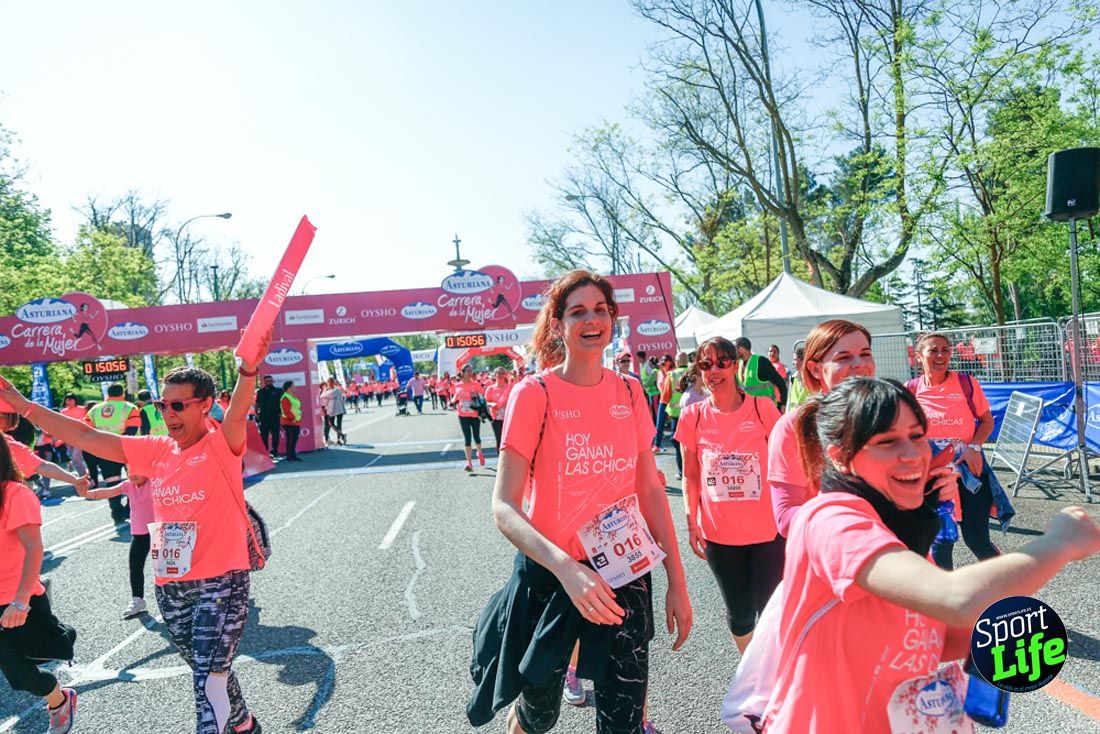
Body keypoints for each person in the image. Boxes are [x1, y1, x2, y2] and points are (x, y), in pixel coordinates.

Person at [762, 377, 1100, 732]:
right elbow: (953, 597)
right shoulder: (831, 520)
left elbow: (925, 639)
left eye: (917, 435)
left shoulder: (895, 527)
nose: (912, 454)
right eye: (887, 441)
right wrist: (1058, 543)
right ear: (841, 458)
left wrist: (995, 636)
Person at [1, 340, 273, 734]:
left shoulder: (221, 444)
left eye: (179, 405)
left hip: (222, 581)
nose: (168, 413)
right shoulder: (155, 450)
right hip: (171, 585)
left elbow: (237, 411)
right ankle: (242, 720)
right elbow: (84, 436)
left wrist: (248, 371)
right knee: (206, 667)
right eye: (164, 405)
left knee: (207, 676)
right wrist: (24, 405)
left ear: (205, 405)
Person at [468, 270, 691, 734]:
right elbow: (504, 506)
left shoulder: (630, 390)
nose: (592, 320)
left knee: (623, 721)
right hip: (552, 577)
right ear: (557, 325)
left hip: (623, 573)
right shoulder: (535, 394)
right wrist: (567, 571)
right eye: (578, 312)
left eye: (601, 310)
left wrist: (677, 579)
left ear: (613, 318)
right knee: (538, 716)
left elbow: (649, 488)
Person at [675, 337, 783, 653]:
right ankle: (749, 664)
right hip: (719, 536)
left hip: (767, 532)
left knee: (771, 611)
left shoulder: (762, 408)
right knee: (740, 615)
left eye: (722, 362)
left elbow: (784, 459)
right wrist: (690, 519)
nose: (714, 371)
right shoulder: (692, 416)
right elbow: (691, 474)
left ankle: (771, 676)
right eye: (706, 364)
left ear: (735, 365)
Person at [0, 436, 79, 734]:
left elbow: (34, 548)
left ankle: (59, 700)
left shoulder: (15, 495)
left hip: (17, 601)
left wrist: (20, 601)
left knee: (28, 670)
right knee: (18, 676)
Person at [908, 332, 1006, 570]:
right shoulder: (910, 390)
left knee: (977, 540)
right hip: (935, 478)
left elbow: (986, 421)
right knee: (941, 543)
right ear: (919, 357)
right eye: (933, 350)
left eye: (945, 350)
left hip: (969, 471)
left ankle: (1009, 589)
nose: (940, 355)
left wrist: (974, 447)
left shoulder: (967, 384)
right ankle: (946, 601)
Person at [76, 475, 154, 619]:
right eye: (130, 471)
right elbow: (106, 492)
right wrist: (85, 493)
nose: (133, 475)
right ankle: (138, 599)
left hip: (158, 531)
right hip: (139, 533)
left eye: (137, 470)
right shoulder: (128, 484)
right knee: (135, 566)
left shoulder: (155, 482)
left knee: (166, 568)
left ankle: (175, 598)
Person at [84, 383, 140, 522]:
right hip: (127, 449)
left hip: (105, 450)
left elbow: (87, 431)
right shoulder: (129, 407)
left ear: (107, 394)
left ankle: (116, 512)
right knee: (133, 481)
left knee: (111, 481)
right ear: (123, 393)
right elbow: (132, 430)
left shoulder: (94, 410)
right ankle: (129, 510)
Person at [734, 337, 787, 408]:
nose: (734, 353)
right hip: (750, 409)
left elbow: (780, 382)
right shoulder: (739, 364)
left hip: (766, 409)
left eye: (735, 349)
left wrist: (783, 404)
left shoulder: (761, 362)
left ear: (740, 349)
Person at [452, 365, 486, 472]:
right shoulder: (457, 385)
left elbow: (483, 395)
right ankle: (469, 462)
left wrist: (476, 395)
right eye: (468, 371)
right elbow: (456, 396)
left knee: (476, 436)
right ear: (462, 372)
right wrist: (452, 402)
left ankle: (479, 452)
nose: (470, 373)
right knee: (467, 438)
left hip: (474, 414)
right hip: (462, 414)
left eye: (471, 371)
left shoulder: (475, 384)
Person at [652, 355, 676, 452]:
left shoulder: (673, 371)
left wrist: (662, 370)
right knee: (659, 423)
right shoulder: (659, 372)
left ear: (670, 361)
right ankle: (657, 445)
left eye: (665, 360)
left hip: (673, 401)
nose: (663, 361)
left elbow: (669, 382)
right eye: (661, 359)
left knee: (676, 424)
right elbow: (661, 386)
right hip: (663, 400)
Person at [58, 394, 87, 476]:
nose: (69, 402)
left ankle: (83, 475)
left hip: (81, 437)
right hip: (68, 438)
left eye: (71, 399)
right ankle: (84, 475)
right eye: (67, 400)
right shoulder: (63, 411)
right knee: (77, 459)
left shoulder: (82, 409)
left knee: (75, 458)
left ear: (75, 400)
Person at [485, 367, 513, 452]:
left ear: (505, 375)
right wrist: (491, 404)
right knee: (499, 438)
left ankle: (509, 459)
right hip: (495, 418)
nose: (500, 375)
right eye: (498, 373)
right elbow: (485, 402)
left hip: (508, 417)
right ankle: (501, 459)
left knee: (509, 439)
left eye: (502, 373)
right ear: (495, 375)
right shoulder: (490, 389)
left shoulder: (510, 388)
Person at [254, 375, 282, 458]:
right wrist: (256, 413)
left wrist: (281, 413)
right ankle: (265, 452)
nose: (269, 382)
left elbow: (282, 403)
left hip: (275, 416)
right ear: (264, 382)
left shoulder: (278, 391)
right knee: (263, 435)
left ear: (273, 381)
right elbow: (257, 403)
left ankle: (274, 451)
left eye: (270, 380)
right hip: (263, 417)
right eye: (267, 381)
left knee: (275, 435)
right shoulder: (260, 392)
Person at [319, 378, 348, 446]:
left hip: (335, 409)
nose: (329, 384)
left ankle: (339, 439)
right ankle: (341, 437)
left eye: (330, 382)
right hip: (335, 409)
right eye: (329, 382)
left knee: (335, 424)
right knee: (334, 424)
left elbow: (323, 398)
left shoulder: (334, 390)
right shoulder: (333, 390)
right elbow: (322, 398)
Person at [281, 381, 302, 462]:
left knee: (294, 439)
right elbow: (286, 410)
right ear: (289, 388)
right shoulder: (285, 397)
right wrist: (292, 418)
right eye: (293, 386)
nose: (295, 387)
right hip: (289, 421)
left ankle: (293, 456)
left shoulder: (292, 396)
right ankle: (290, 457)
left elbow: (295, 408)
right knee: (291, 439)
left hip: (295, 421)